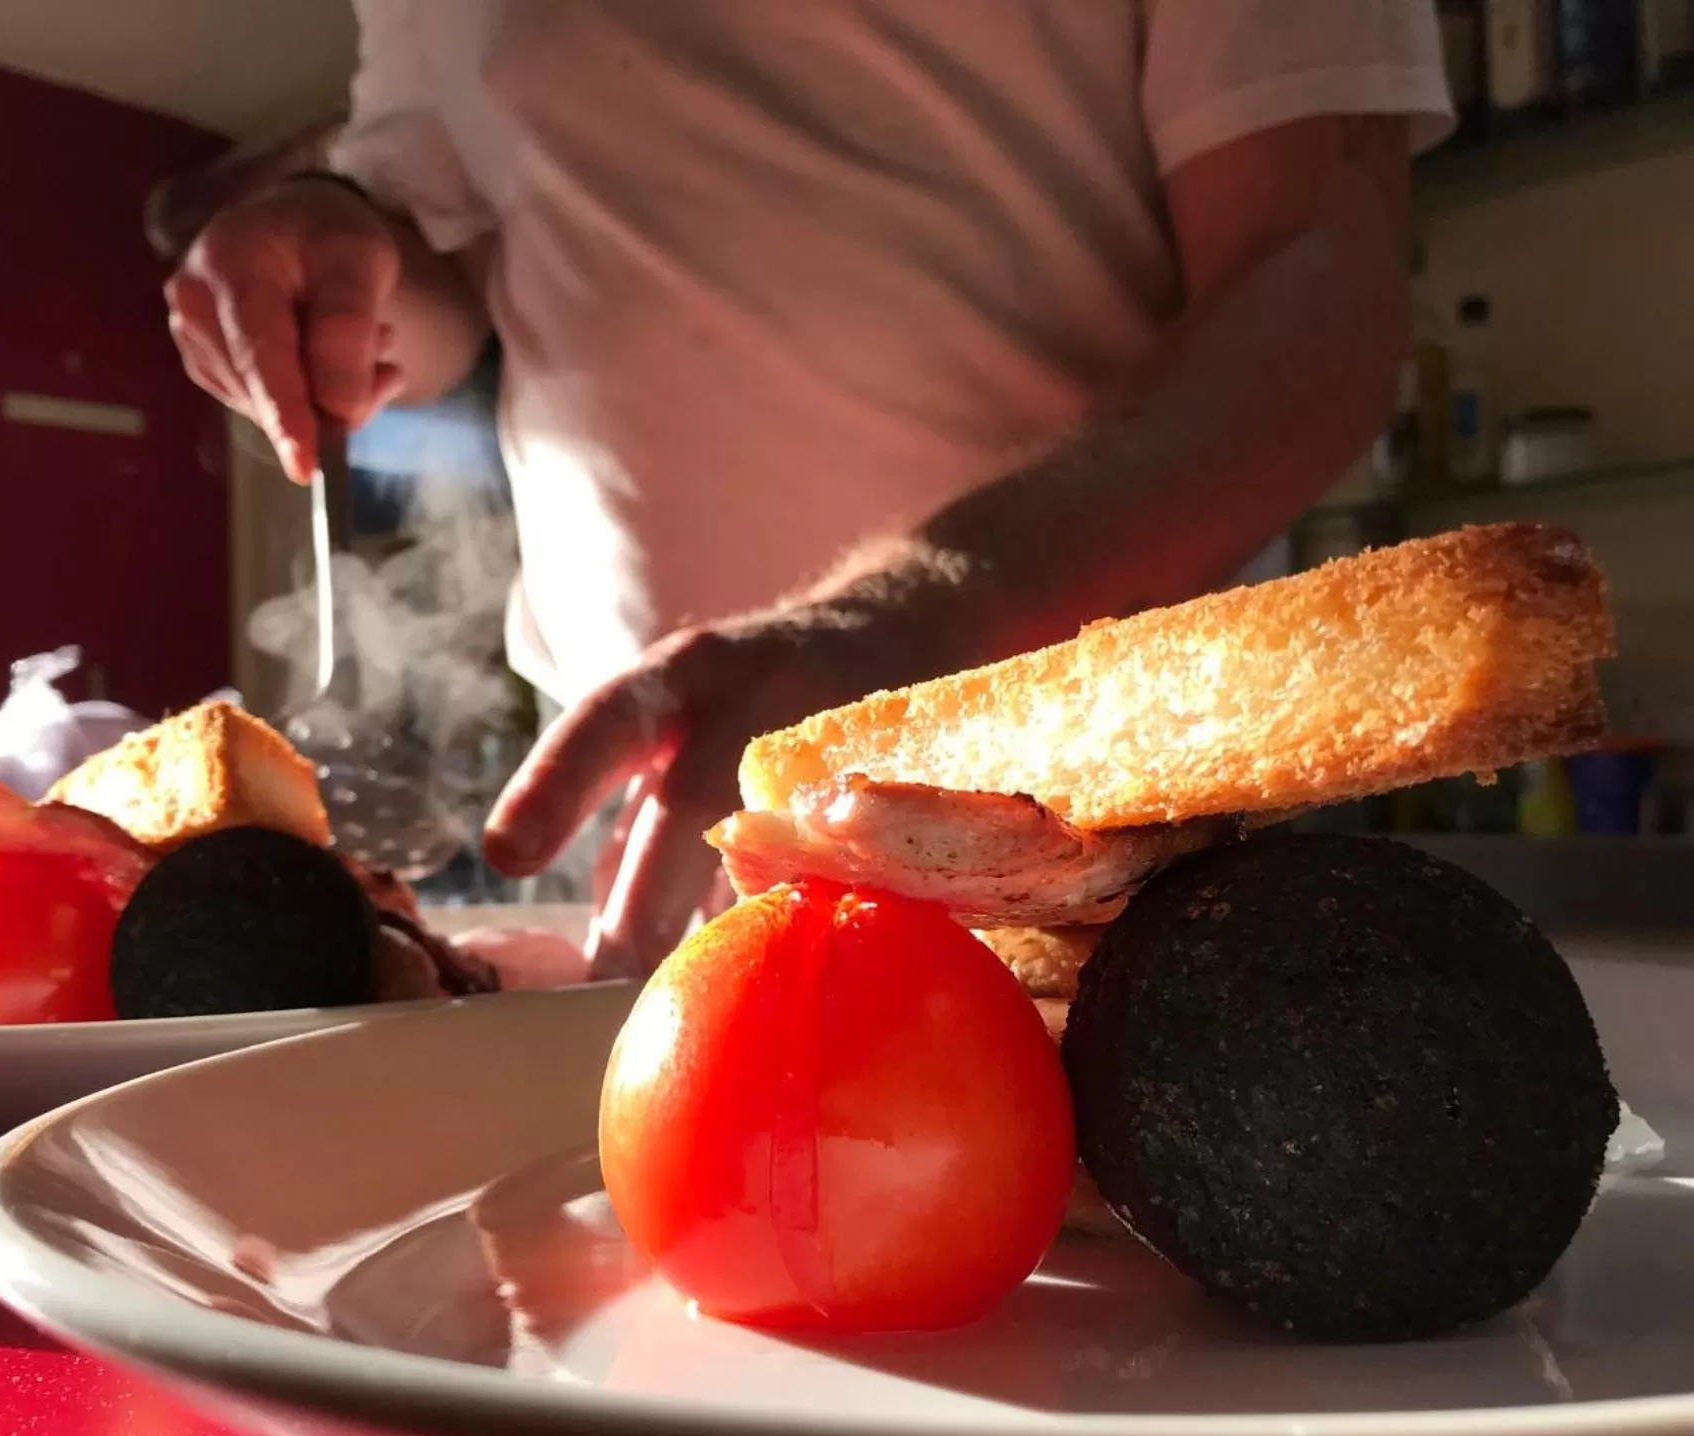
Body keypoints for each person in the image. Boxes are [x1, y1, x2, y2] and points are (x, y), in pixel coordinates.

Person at [165, 3, 1453, 978]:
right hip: (632, 828)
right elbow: (448, 267)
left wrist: (910, 617)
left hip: (1086, 819)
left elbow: (1317, 269)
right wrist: (338, 250)